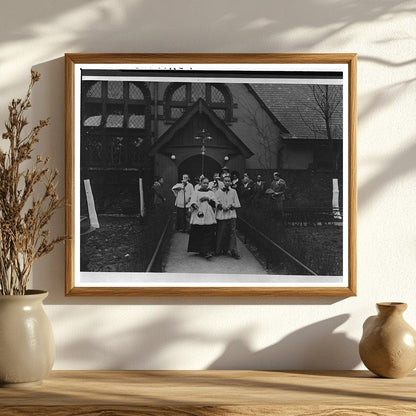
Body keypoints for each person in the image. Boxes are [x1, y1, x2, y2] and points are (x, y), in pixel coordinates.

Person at [187, 177, 217, 259]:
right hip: (199, 212)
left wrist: (208, 199)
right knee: (199, 232)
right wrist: (195, 205)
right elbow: (192, 201)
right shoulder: (196, 192)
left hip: (208, 214)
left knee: (208, 232)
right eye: (204, 183)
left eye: (207, 183)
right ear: (200, 183)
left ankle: (207, 250)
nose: (206, 185)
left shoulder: (211, 192)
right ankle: (200, 249)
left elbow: (215, 203)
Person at [215, 175, 241, 259]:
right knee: (221, 232)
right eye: (225, 181)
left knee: (232, 232)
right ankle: (219, 249)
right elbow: (215, 202)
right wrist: (221, 206)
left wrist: (230, 206)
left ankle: (233, 250)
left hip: (231, 214)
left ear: (230, 182)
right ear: (223, 182)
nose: (227, 182)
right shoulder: (218, 192)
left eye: (229, 181)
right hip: (221, 215)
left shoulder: (233, 191)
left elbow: (236, 203)